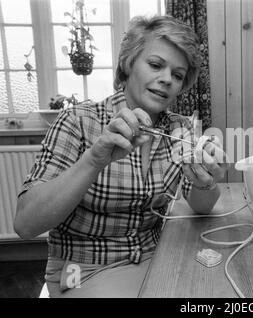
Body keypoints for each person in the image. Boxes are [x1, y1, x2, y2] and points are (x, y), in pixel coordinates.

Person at [14, 15, 228, 297]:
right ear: (129, 63)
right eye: (155, 65)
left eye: (177, 75)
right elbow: (26, 224)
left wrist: (206, 180)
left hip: (157, 257)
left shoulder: (180, 128)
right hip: (81, 269)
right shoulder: (78, 121)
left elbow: (200, 206)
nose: (166, 79)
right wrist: (94, 160)